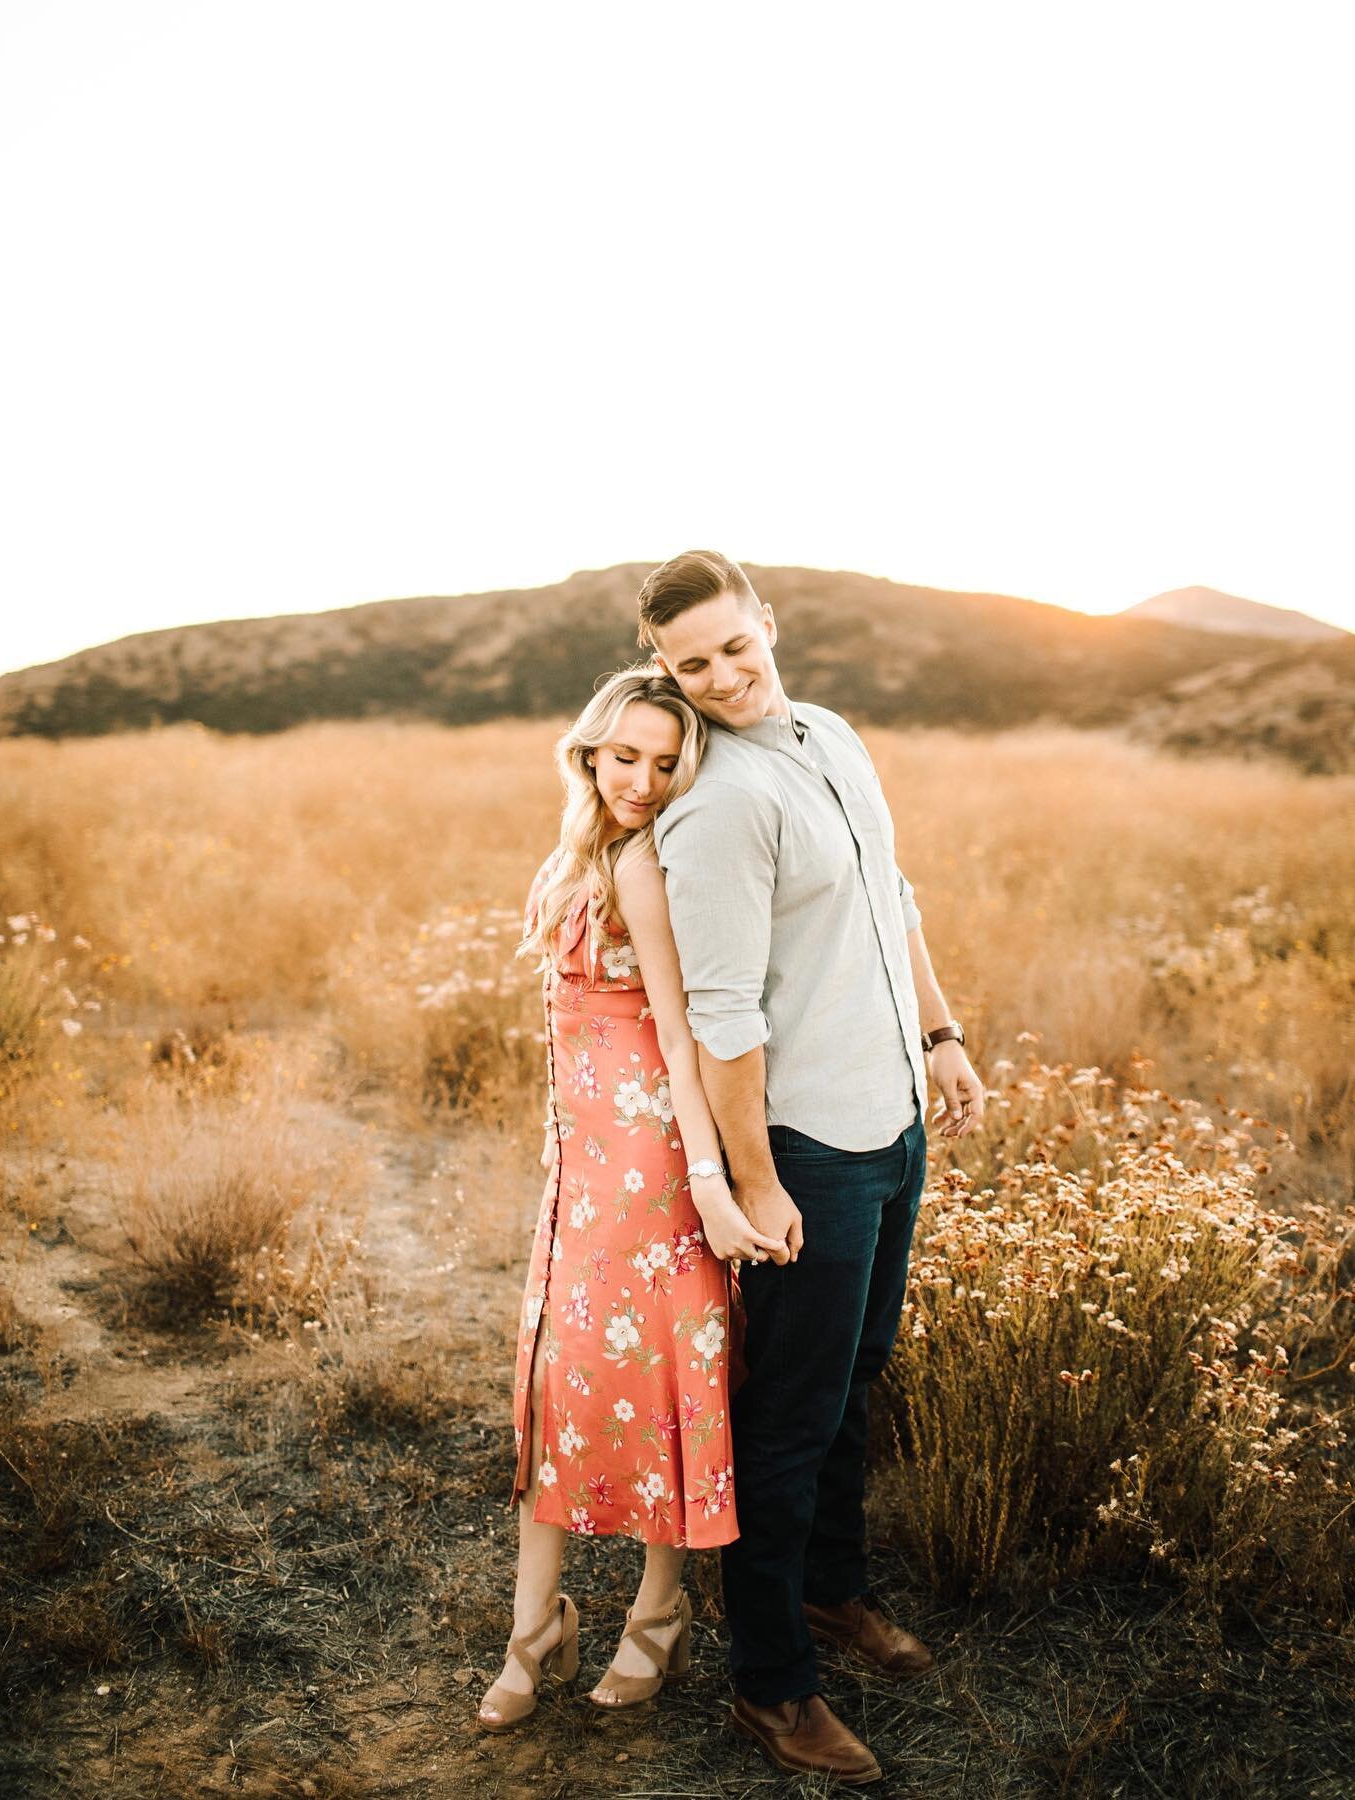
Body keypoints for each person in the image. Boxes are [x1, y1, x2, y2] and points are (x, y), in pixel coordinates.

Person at [640, 551, 986, 1787]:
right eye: (694, 665)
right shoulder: (721, 805)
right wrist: (756, 1182)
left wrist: (938, 1036)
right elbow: (724, 1018)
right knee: (788, 1421)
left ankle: (835, 1594)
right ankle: (772, 1682)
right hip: (808, 1155)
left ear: (768, 625)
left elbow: (890, 896)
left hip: (893, 1122)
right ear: (667, 672)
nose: (724, 678)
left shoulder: (831, 734)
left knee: (863, 1377)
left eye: (736, 647)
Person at [478, 665, 783, 1732]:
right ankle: (535, 1627)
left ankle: (657, 1612)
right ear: (589, 750)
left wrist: (709, 1180)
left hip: (653, 1175)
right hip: (578, 1175)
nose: (643, 781)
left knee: (659, 1379)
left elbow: (684, 1034)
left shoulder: (649, 868)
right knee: (560, 1380)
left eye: (666, 763)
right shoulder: (578, 853)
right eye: (626, 757)